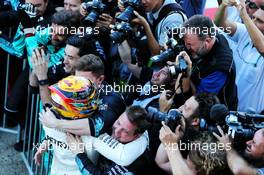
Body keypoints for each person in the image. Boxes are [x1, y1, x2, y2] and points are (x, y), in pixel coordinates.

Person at [39, 54, 126, 137]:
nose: (78, 85)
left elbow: (96, 126)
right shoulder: (74, 85)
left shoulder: (112, 99)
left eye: (84, 81)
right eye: (77, 79)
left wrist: (56, 123)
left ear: (100, 79)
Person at [34, 75, 99, 175]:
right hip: (56, 170)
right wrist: (43, 147)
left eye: (59, 105)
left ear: (76, 111)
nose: (52, 108)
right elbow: (52, 136)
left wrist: (80, 153)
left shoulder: (95, 135)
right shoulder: (50, 121)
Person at [66, 105, 152, 175]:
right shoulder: (109, 123)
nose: (116, 131)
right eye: (118, 123)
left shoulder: (137, 161)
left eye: (125, 131)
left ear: (136, 136)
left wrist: (79, 154)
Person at [176, 15, 237, 110]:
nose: (186, 48)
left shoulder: (219, 68)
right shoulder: (211, 35)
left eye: (189, 44)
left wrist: (185, 73)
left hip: (214, 114)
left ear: (207, 41)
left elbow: (197, 103)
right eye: (185, 43)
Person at [214, 0, 264, 113]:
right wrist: (224, 5)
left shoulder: (259, 41)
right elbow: (220, 24)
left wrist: (244, 16)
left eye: (259, 21)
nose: (253, 22)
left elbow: (262, 48)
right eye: (253, 18)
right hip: (227, 110)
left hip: (250, 120)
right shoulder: (244, 32)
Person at [157, 123, 228, 175]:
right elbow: (162, 163)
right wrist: (175, 137)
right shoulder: (190, 165)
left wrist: (171, 146)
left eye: (190, 154)